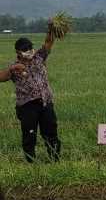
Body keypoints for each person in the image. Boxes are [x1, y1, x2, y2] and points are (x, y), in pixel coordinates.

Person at [0, 28, 61, 163]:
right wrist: (11, 69)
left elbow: (48, 42)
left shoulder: (39, 57)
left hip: (46, 102)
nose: (29, 51)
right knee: (29, 134)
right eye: (25, 49)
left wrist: (52, 28)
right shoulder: (14, 66)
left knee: (51, 132)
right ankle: (31, 162)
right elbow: (1, 77)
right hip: (27, 107)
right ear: (18, 52)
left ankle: (55, 160)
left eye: (30, 48)